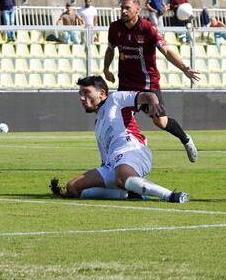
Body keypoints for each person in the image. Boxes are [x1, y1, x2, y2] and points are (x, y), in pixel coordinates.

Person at [49, 76, 189, 203]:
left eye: (86, 92)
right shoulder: (98, 125)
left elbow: (147, 95)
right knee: (72, 187)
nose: (82, 98)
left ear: (102, 93)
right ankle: (129, 194)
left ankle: (171, 195)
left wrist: (154, 103)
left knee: (121, 178)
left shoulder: (115, 99)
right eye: (80, 94)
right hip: (111, 165)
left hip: (133, 151)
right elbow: (105, 159)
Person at [103, 0, 201, 161]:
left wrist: (184, 68)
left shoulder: (148, 28)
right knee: (116, 119)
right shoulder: (115, 28)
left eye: (127, 8)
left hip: (148, 85)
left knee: (160, 122)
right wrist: (106, 69)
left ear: (137, 9)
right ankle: (114, 158)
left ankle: (186, 139)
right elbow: (111, 49)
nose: (123, 11)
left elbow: (167, 50)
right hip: (126, 84)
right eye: (122, 8)